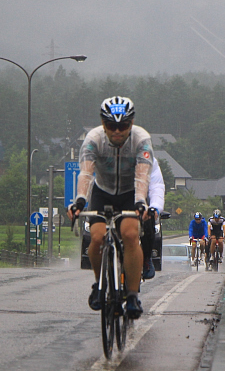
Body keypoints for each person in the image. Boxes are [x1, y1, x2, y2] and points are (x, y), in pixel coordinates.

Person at [67, 96, 153, 319]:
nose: (117, 131)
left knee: (131, 234)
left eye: (122, 126)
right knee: (96, 238)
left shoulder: (142, 139)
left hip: (129, 193)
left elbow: (143, 176)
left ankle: (132, 295)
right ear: (103, 124)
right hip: (102, 192)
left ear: (131, 124)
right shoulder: (93, 139)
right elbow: (86, 173)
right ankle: (99, 284)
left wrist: (141, 202)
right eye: (111, 126)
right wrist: (79, 202)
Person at [141, 157, 164, 280]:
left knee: (148, 220)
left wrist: (155, 207)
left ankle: (146, 258)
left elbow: (156, 186)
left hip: (142, 198)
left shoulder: (148, 159)